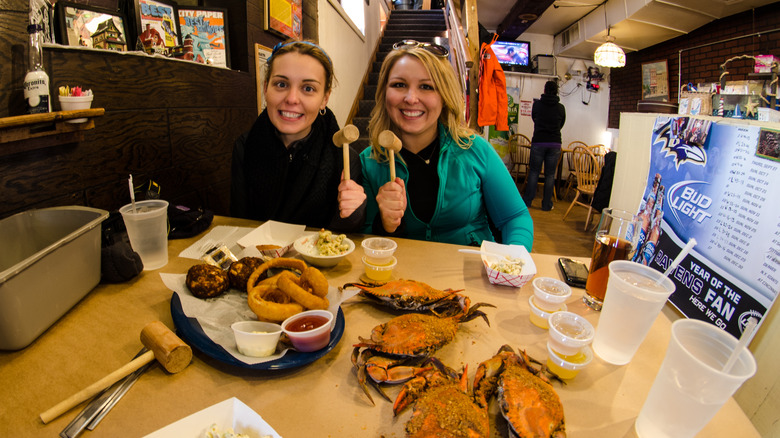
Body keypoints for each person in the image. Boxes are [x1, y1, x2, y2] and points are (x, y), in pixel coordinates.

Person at [359, 40, 533, 250]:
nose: (411, 98)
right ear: (384, 93)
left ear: (444, 96)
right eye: (399, 85)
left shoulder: (476, 150)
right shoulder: (369, 161)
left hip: (472, 274)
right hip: (402, 277)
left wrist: (512, 264)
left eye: (426, 87)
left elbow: (515, 218)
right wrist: (384, 224)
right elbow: (364, 241)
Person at [231, 40, 366, 231]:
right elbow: (239, 224)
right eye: (281, 84)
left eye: (308, 88)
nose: (292, 99)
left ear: (324, 99)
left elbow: (342, 240)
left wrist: (353, 214)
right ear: (265, 88)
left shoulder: (344, 157)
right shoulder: (245, 147)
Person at [522, 80, 566, 211]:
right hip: (554, 143)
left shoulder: (537, 105)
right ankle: (546, 205)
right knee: (550, 175)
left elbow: (534, 118)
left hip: (539, 141)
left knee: (534, 172)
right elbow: (561, 124)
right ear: (556, 91)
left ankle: (528, 201)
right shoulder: (561, 108)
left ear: (545, 90)